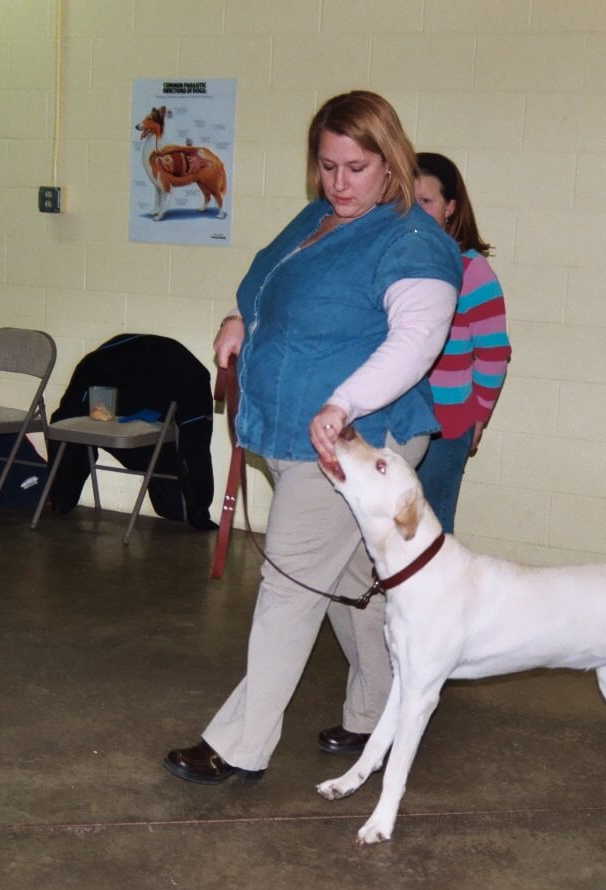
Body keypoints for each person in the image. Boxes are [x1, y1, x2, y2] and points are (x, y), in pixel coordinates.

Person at [163, 92, 462, 783]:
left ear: (391, 162)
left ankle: (240, 745)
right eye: (326, 166)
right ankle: (380, 711)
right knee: (353, 581)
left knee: (291, 582)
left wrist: (343, 402)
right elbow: (267, 282)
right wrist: (241, 320)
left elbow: (416, 345)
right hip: (295, 433)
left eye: (356, 167)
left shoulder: (415, 241)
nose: (338, 182)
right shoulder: (321, 218)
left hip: (351, 444)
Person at [411, 152, 510, 535]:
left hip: (446, 426)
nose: (415, 211)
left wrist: (479, 415)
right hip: (397, 421)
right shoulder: (393, 264)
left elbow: (494, 353)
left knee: (431, 529)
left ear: (450, 207)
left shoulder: (473, 272)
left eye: (426, 201)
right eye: (407, 200)